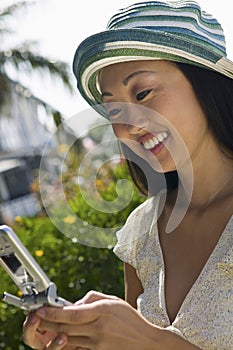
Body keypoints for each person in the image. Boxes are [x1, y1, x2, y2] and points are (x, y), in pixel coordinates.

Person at [23, 1, 233, 349]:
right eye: (113, 108)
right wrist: (83, 339)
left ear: (204, 83)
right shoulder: (141, 233)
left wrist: (148, 340)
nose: (127, 126)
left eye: (143, 93)